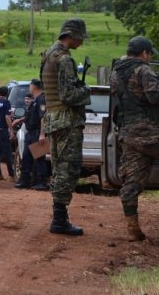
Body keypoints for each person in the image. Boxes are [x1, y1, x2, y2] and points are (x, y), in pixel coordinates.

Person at [110, 36, 159, 241]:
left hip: (128, 133)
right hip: (150, 132)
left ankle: (132, 227)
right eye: (149, 54)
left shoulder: (116, 72)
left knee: (132, 181)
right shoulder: (144, 70)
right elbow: (155, 96)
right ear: (145, 53)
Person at [41, 18, 90, 236]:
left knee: (59, 166)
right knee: (67, 168)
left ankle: (60, 217)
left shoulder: (48, 54)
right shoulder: (65, 59)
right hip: (66, 120)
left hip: (53, 118)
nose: (81, 42)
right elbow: (69, 95)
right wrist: (86, 92)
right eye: (80, 38)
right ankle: (59, 219)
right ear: (73, 35)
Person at [15, 80, 51, 191]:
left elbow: (43, 117)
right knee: (26, 157)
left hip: (37, 133)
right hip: (29, 133)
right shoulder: (35, 100)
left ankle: (42, 182)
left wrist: (42, 134)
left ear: (34, 87)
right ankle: (25, 180)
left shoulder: (41, 99)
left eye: (30, 85)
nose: (29, 88)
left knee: (39, 158)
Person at [0, 85, 15, 180]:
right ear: (7, 93)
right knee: (8, 153)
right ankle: (11, 175)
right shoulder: (6, 102)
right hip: (3, 130)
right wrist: (11, 130)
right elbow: (7, 117)